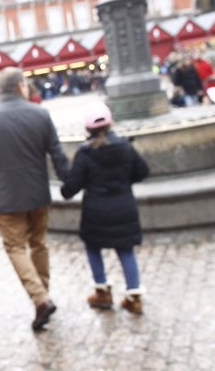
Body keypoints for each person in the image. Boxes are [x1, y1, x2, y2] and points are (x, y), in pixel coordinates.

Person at [0, 66, 70, 332]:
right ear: (19, 87)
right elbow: (57, 154)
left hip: (7, 195)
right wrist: (68, 183)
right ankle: (43, 294)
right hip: (37, 191)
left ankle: (40, 298)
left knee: (15, 248)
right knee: (39, 244)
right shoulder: (40, 114)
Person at [61, 102, 149, 315]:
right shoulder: (125, 147)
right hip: (124, 206)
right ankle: (134, 296)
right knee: (125, 249)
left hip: (96, 211)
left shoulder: (85, 153)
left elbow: (71, 187)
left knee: (93, 247)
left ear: (87, 129)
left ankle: (102, 291)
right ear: (110, 124)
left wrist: (66, 186)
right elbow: (143, 171)